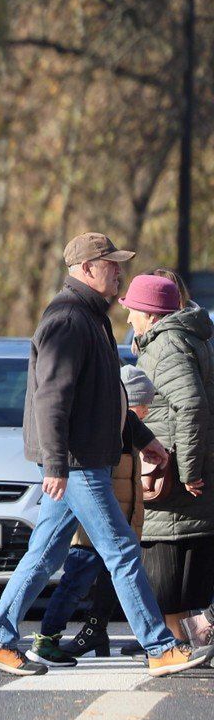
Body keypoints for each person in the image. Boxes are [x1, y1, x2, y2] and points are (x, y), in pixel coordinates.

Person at [0, 233, 209, 678]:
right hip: (78, 462)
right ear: (86, 269)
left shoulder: (93, 318)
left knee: (45, 555)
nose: (119, 271)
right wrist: (57, 463)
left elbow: (107, 398)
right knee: (121, 547)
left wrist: (143, 439)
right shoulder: (67, 319)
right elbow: (52, 397)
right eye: (111, 264)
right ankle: (159, 647)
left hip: (83, 458)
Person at [123, 272, 214, 647]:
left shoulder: (165, 346)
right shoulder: (190, 338)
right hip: (182, 477)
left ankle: (173, 646)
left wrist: (189, 470)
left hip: (173, 480)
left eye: (133, 310)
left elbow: (191, 405)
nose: (128, 318)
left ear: (150, 313)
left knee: (166, 571)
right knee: (185, 573)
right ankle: (185, 643)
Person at [41, 364, 153, 659]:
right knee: (75, 582)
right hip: (93, 530)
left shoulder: (133, 429)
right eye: (143, 406)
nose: (146, 413)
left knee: (108, 584)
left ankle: (96, 633)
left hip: (120, 526)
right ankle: (48, 634)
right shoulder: (110, 427)